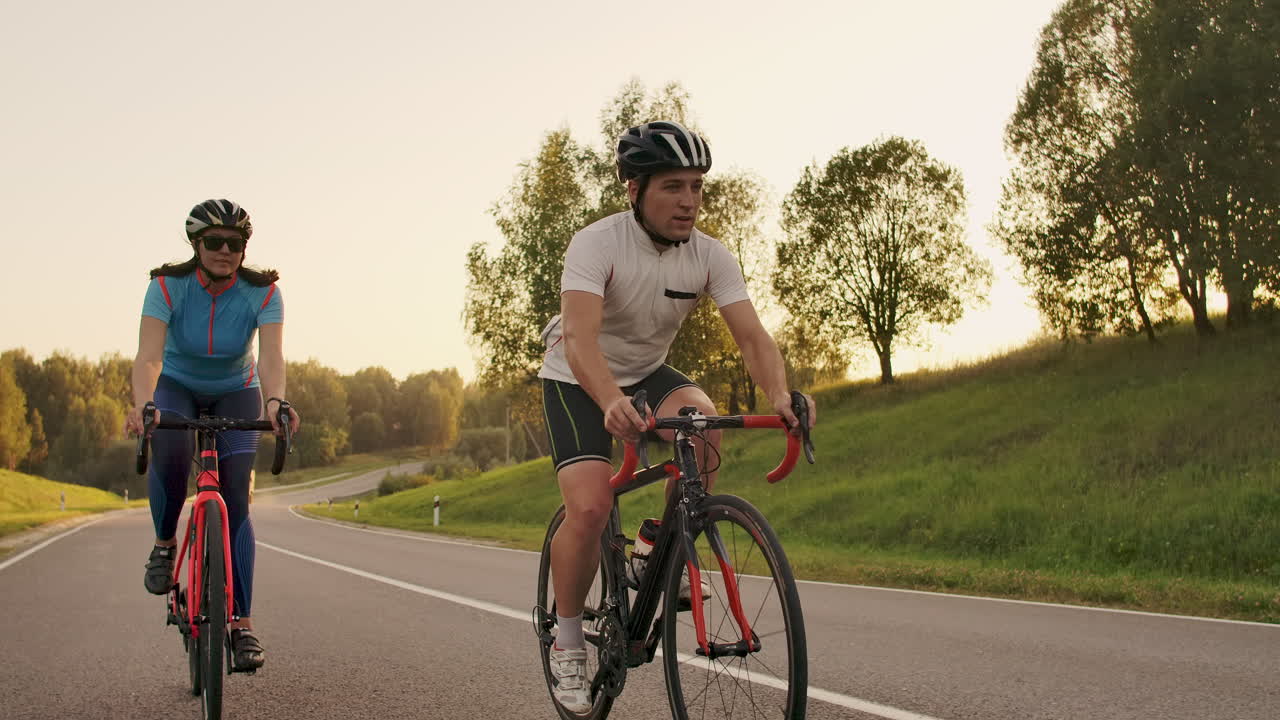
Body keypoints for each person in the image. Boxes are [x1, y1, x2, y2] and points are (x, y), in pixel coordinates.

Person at [538, 120, 817, 713]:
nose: (688, 201)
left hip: (646, 372)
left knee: (702, 423)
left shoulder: (710, 255)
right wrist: (611, 400)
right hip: (575, 374)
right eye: (672, 186)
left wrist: (779, 396)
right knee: (588, 507)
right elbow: (582, 341)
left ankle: (653, 548)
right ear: (635, 190)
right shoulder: (597, 244)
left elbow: (753, 337)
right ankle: (566, 642)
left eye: (696, 187)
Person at [124, 199, 300, 671]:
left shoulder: (264, 292)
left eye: (236, 243)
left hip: (237, 390)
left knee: (237, 497)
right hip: (175, 386)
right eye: (214, 242)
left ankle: (241, 625)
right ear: (196, 245)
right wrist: (144, 405)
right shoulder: (166, 285)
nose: (226, 250)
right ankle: (164, 546)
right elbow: (147, 357)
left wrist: (275, 402)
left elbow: (271, 359)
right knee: (173, 453)